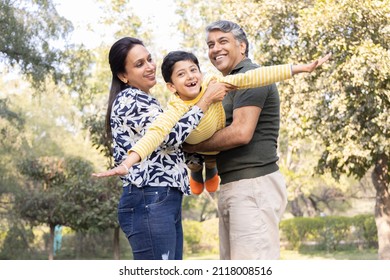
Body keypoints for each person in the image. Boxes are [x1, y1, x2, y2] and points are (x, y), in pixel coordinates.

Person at [184, 20, 331, 260]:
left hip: (253, 185)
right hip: (235, 184)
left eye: (223, 41)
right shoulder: (227, 83)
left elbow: (241, 132)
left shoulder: (252, 76)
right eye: (210, 44)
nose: (215, 49)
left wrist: (193, 145)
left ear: (242, 46)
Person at [94, 50, 330, 197]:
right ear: (172, 87)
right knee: (197, 160)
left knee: (212, 157)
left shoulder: (214, 83)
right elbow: (155, 134)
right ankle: (197, 171)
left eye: (193, 70)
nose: (191, 77)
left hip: (213, 142)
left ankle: (210, 165)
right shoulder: (175, 108)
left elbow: (254, 77)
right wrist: (128, 162)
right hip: (196, 146)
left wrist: (300, 69)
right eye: (181, 74)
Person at [95, 37, 232, 260]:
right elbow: (169, 137)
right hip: (149, 197)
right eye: (139, 64)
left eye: (149, 59)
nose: (150, 67)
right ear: (123, 75)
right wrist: (206, 100)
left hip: (162, 196)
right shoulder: (130, 100)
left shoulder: (147, 100)